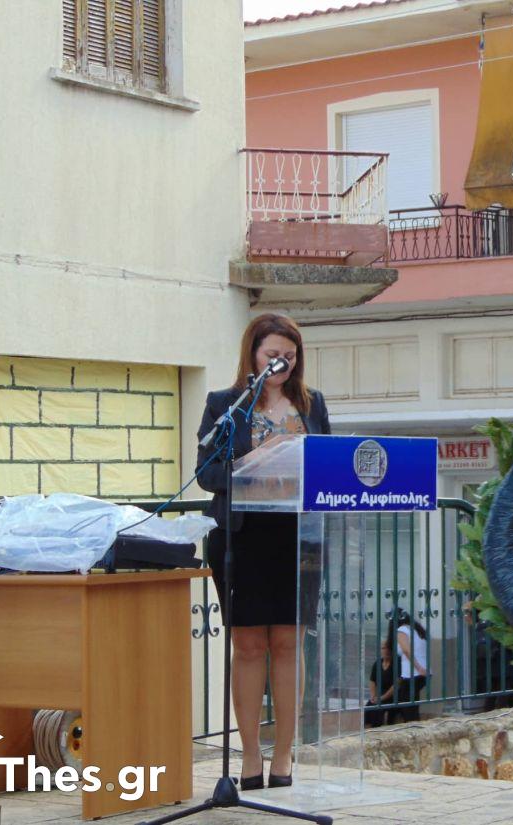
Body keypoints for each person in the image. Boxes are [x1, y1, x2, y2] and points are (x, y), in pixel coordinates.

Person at [195, 313, 331, 790]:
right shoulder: (225, 405)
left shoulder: (312, 406)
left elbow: (330, 470)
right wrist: (251, 463)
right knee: (249, 647)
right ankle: (250, 756)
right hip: (244, 538)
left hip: (298, 538)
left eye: (290, 357)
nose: (282, 364)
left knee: (288, 644)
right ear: (253, 355)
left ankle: (285, 756)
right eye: (273, 355)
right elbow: (208, 476)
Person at [389, 609, 429, 722]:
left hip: (414, 673)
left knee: (407, 705)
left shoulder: (402, 629)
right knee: (411, 703)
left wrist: (418, 668)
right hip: (422, 673)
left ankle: (413, 729)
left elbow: (407, 650)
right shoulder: (416, 630)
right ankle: (414, 726)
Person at [364, 640, 395, 728]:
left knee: (379, 708)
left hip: (393, 696)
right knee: (369, 706)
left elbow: (397, 684)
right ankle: (369, 730)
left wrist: (382, 698)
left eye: (388, 648)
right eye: (383, 648)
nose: (386, 650)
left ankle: (377, 730)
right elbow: (372, 681)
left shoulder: (396, 664)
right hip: (379, 695)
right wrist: (373, 696)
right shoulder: (377, 663)